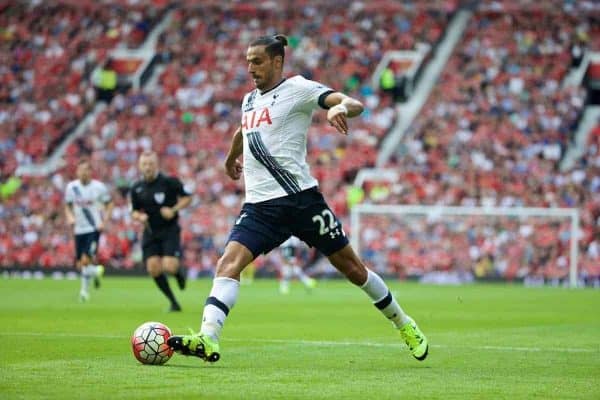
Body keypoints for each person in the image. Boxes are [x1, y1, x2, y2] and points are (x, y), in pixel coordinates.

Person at [168, 35, 428, 362]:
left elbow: (353, 103)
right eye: (248, 61)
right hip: (261, 207)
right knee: (228, 263)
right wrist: (231, 156)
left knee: (353, 269)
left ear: (277, 62)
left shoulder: (298, 89)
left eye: (257, 61)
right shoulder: (249, 100)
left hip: (301, 201)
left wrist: (339, 109)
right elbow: (243, 131)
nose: (250, 68)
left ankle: (404, 323)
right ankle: (208, 338)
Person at [130, 151, 192, 312]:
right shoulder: (136, 188)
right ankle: (173, 302)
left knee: (169, 267)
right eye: (144, 164)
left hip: (169, 230)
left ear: (156, 165)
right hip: (150, 231)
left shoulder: (169, 182)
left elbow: (187, 197)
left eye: (150, 164)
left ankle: (178, 274)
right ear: (140, 166)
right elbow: (134, 211)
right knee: (153, 268)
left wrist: (173, 209)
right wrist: (139, 216)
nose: (147, 167)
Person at [64, 158, 113, 302]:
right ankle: (93, 275)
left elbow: (109, 204)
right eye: (81, 170)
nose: (83, 172)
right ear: (77, 172)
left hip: (93, 228)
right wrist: (69, 217)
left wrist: (104, 221)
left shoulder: (99, 187)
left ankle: (85, 289)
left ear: (91, 172)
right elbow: (67, 205)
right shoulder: (72, 187)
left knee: (85, 260)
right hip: (79, 229)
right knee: (81, 264)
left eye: (86, 169)